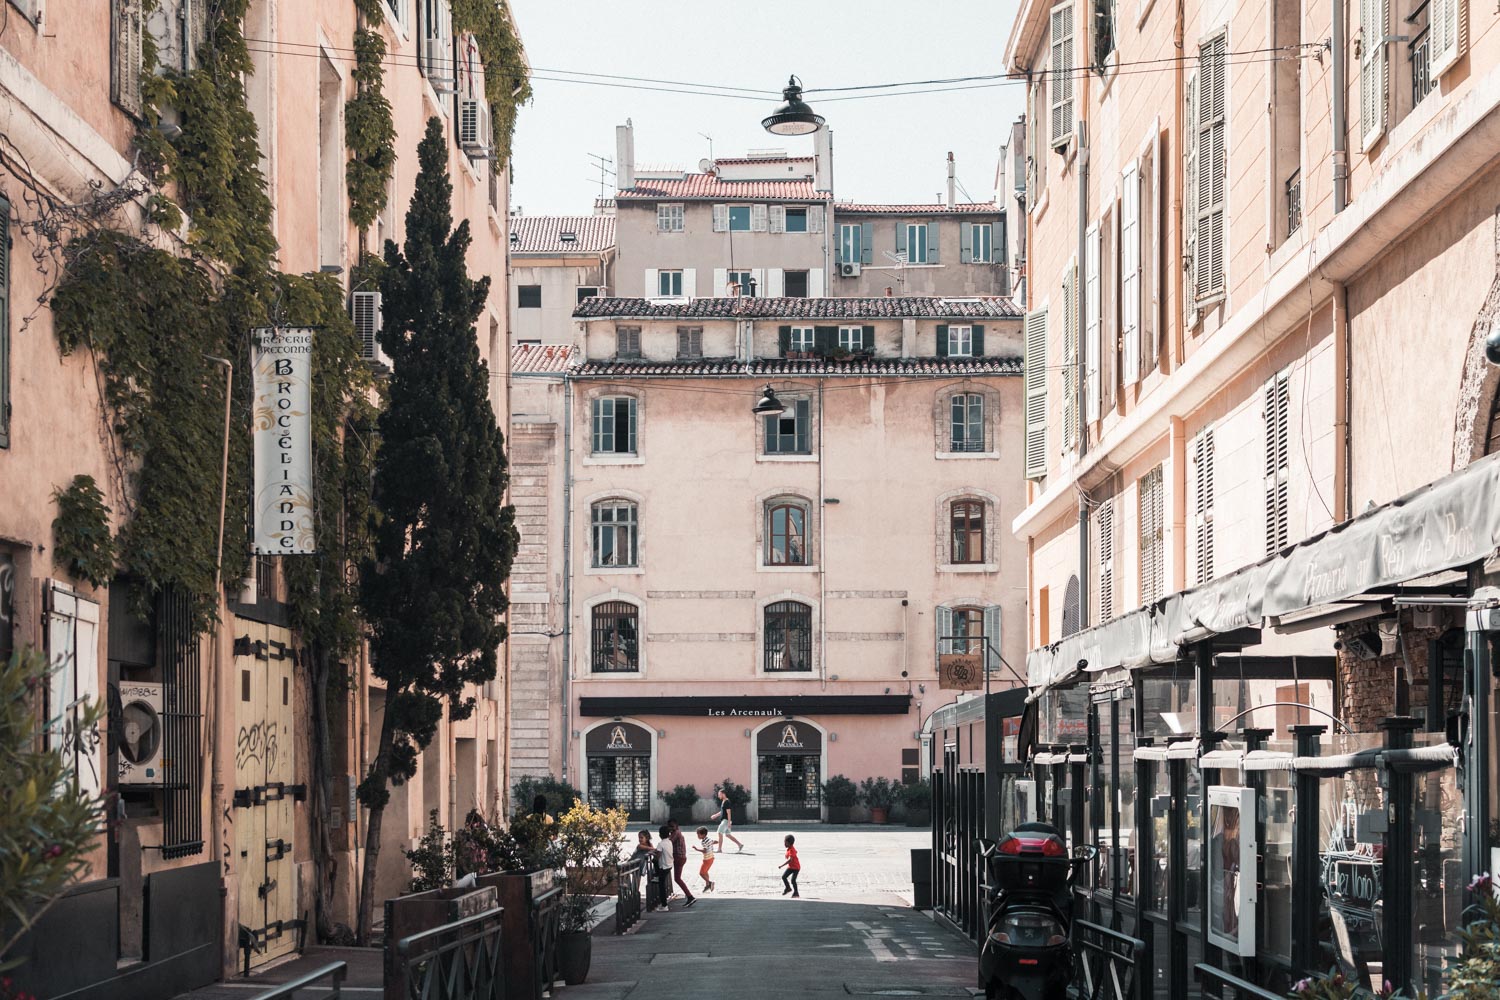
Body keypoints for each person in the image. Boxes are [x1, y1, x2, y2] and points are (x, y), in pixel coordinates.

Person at [667, 820, 697, 907]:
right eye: (669, 826)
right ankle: (689, 896)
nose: (670, 828)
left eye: (672, 826)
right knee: (677, 878)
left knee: (677, 878)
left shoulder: (676, 833)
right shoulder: (676, 833)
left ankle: (690, 896)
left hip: (678, 857)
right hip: (680, 857)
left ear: (676, 826)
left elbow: (669, 842)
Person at [711, 787, 745, 853]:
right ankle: (740, 845)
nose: (718, 796)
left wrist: (729, 822)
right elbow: (722, 811)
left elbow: (728, 812)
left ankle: (719, 849)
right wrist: (715, 815)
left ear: (723, 794)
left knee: (719, 832)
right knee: (727, 835)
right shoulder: (723, 801)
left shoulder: (727, 802)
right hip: (726, 821)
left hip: (725, 821)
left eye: (719, 794)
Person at [655, 824, 676, 912]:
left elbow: (657, 856)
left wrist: (654, 856)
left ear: (660, 835)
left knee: (661, 886)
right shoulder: (669, 842)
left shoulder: (660, 844)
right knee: (662, 884)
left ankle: (664, 905)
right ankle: (663, 904)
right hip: (670, 865)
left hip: (663, 867)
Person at [692, 825, 716, 892]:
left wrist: (696, 849)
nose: (697, 836)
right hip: (711, 858)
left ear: (703, 834)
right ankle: (707, 885)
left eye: (698, 834)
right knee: (705, 872)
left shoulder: (703, 841)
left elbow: (704, 851)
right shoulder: (709, 839)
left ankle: (710, 882)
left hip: (707, 859)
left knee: (701, 873)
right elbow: (715, 841)